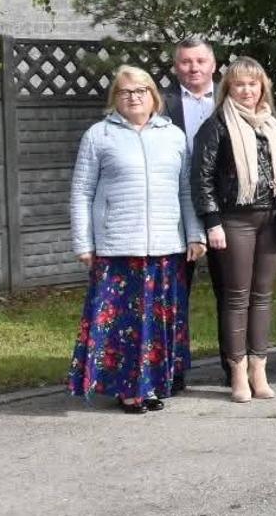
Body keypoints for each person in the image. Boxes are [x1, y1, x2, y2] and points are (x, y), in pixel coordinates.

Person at [68, 65, 206, 414]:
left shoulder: (173, 136)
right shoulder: (98, 136)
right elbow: (81, 192)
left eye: (141, 90)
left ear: (153, 96)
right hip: (118, 248)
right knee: (122, 326)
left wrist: (195, 234)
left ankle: (150, 386)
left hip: (164, 248)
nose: (134, 97)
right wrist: (83, 242)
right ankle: (126, 390)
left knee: (155, 322)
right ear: (115, 98)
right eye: (126, 91)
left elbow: (186, 191)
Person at [190, 56, 276, 402]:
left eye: (253, 84)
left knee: (262, 297)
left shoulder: (272, 125)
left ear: (263, 88)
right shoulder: (216, 125)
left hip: (269, 219)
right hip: (233, 221)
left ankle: (260, 369)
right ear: (228, 87)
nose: (246, 90)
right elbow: (201, 179)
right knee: (236, 297)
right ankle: (238, 372)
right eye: (239, 84)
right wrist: (212, 220)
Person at [163, 35, 223, 391]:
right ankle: (172, 370)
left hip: (225, 211)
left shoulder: (229, 98)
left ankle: (234, 367)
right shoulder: (163, 104)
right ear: (176, 67)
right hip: (179, 211)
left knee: (230, 293)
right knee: (173, 295)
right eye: (186, 62)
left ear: (213, 65)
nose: (194, 68)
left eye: (200, 61)